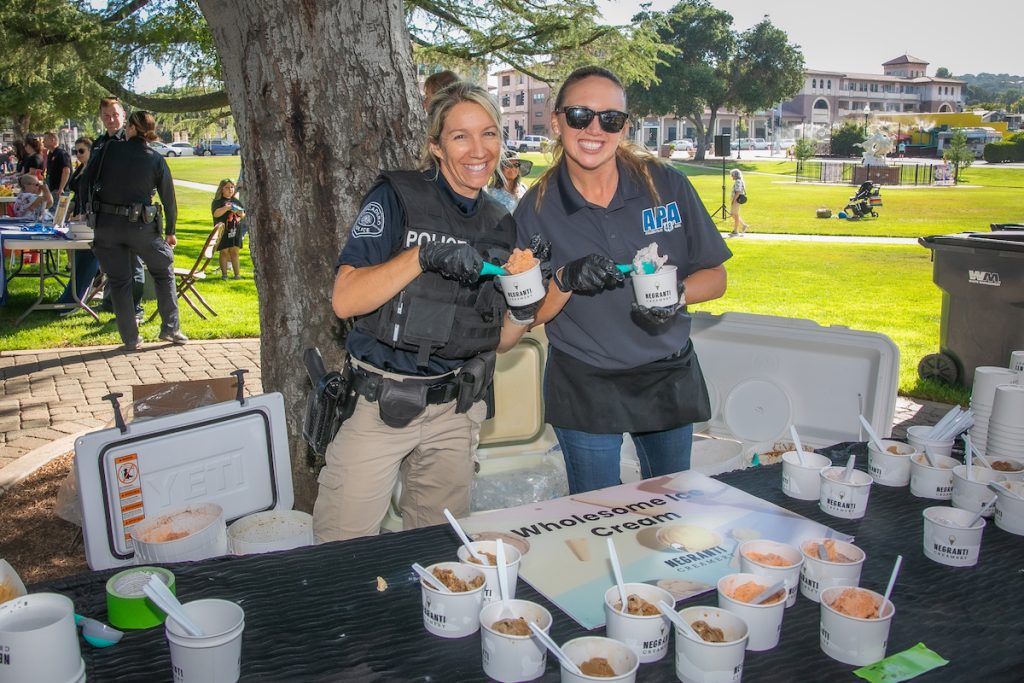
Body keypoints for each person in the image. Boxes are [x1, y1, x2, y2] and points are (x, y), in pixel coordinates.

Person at [312, 81, 544, 543]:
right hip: (378, 406)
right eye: (460, 136)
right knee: (342, 550)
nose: (478, 150)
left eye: (489, 133)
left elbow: (496, 340)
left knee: (438, 548)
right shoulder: (396, 197)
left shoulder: (501, 221)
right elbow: (345, 299)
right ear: (436, 147)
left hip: (455, 412)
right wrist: (423, 256)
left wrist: (524, 306)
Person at [513, 65, 731, 495]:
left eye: (610, 119)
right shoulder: (536, 210)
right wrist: (564, 279)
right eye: (579, 115)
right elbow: (529, 314)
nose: (594, 128)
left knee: (670, 503)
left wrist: (676, 293)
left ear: (624, 127)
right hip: (585, 379)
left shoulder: (665, 186)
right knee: (596, 513)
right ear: (557, 121)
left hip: (666, 373)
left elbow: (717, 276)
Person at [84, 110, 185, 351]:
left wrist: (87, 209)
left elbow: (85, 179)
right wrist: (170, 230)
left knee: (119, 282)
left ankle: (130, 338)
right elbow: (169, 199)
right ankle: (170, 328)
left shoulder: (108, 150)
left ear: (130, 128)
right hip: (141, 228)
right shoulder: (155, 158)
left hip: (106, 227)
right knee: (162, 270)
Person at [90, 96, 146, 322]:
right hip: (105, 214)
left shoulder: (132, 142)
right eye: (106, 116)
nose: (111, 119)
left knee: (133, 263)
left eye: (115, 115)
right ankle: (110, 301)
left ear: (124, 116)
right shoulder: (100, 143)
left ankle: (135, 309)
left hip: (129, 215)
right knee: (110, 262)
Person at [56, 137, 101, 306]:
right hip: (77, 215)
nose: (78, 154)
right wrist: (65, 212)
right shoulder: (81, 168)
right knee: (78, 254)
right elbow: (75, 193)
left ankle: (89, 289)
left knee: (88, 254)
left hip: (87, 217)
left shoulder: (94, 170)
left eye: (82, 151)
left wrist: (83, 214)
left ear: (91, 151)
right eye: (76, 151)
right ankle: (78, 290)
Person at [211, 178, 246, 279]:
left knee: (235, 251)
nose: (230, 189)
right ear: (222, 189)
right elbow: (216, 214)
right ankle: (224, 274)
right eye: (227, 187)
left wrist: (240, 213)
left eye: (232, 187)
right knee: (224, 251)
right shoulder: (218, 201)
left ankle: (237, 275)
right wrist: (226, 208)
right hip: (223, 231)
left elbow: (243, 214)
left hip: (235, 229)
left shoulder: (236, 201)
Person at [43, 132, 72, 202]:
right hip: (52, 188)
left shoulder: (61, 153)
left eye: (45, 139)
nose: (43, 141)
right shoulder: (50, 153)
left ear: (53, 140)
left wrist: (61, 188)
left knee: (57, 211)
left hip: (59, 189)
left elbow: (66, 170)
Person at [729, 168, 749, 237]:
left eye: (732, 175)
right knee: (732, 214)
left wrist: (733, 201)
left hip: (736, 200)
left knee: (735, 215)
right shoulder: (739, 181)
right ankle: (743, 225)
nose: (731, 176)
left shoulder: (738, 181)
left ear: (735, 175)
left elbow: (737, 192)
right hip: (736, 200)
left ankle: (736, 231)